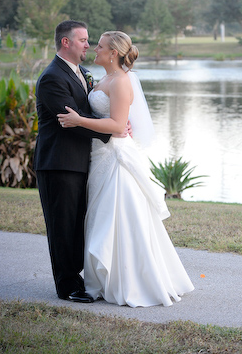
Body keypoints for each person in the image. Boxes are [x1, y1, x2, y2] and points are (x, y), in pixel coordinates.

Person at [57, 31, 194, 307]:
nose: (94, 49)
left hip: (116, 158)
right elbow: (111, 117)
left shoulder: (120, 81)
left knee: (115, 217)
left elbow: (119, 126)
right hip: (99, 156)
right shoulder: (102, 79)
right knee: (98, 217)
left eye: (100, 46)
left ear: (113, 53)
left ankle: (128, 281)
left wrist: (79, 120)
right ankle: (103, 281)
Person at [34, 20, 113, 303]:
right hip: (58, 163)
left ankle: (79, 277)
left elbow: (84, 111)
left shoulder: (84, 73)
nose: (88, 46)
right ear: (65, 42)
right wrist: (112, 129)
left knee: (79, 223)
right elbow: (72, 121)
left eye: (89, 40)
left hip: (81, 162)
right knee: (62, 225)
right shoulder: (52, 77)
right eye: (83, 40)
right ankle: (67, 286)